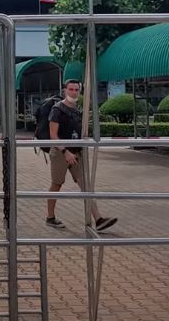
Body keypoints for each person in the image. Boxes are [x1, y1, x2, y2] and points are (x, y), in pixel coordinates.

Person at [45, 79, 117, 232]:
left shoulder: (77, 110)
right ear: (65, 90)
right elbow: (53, 135)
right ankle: (50, 217)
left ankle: (98, 219)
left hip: (77, 152)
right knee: (56, 184)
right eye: (71, 89)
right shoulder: (57, 109)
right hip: (60, 152)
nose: (74, 92)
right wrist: (65, 152)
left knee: (85, 184)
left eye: (76, 90)